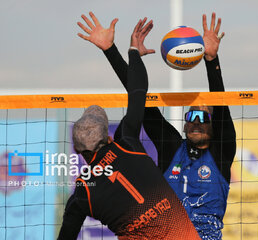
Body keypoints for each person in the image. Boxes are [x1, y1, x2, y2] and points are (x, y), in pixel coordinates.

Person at [87, 11, 236, 239]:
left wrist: (211, 61)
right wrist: (111, 51)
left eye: (203, 117)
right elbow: (142, 103)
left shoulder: (221, 153)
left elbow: (221, 104)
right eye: (191, 117)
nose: (196, 122)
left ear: (213, 125)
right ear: (184, 125)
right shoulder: (173, 148)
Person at [57, 12, 201, 240]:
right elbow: (138, 91)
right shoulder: (128, 143)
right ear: (109, 137)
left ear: (77, 151)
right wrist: (131, 52)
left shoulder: (83, 193)